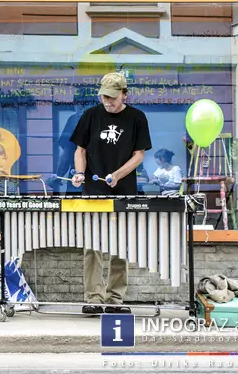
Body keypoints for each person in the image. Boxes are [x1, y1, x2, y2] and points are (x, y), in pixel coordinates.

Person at [70, 72, 152, 314]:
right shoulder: (90, 116)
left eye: (113, 98)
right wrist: (79, 173)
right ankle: (94, 298)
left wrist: (117, 175)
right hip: (93, 190)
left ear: (125, 94)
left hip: (123, 190)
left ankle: (115, 299)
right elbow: (80, 151)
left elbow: (139, 155)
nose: (108, 102)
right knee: (92, 246)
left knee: (120, 245)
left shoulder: (137, 118)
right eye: (104, 97)